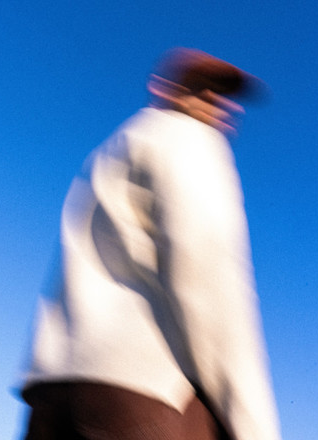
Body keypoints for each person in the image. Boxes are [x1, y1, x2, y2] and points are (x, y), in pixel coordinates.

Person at [18, 47, 281, 440]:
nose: (216, 102)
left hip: (52, 391)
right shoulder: (191, 139)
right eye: (201, 87)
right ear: (164, 88)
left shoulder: (111, 152)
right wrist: (253, 426)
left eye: (223, 94)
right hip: (141, 395)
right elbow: (211, 284)